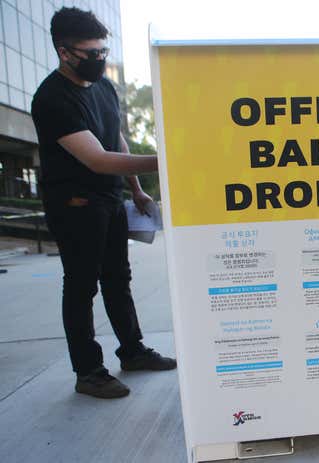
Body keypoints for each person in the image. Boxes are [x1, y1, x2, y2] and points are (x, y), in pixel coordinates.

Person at [31, 7, 176, 399]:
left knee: (118, 280)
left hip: (110, 200)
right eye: (91, 52)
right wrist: (169, 161)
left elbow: (117, 140)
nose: (100, 59)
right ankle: (89, 371)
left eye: (102, 51)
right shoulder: (51, 98)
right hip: (75, 204)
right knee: (81, 287)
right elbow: (97, 158)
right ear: (65, 52)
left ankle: (132, 351)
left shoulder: (103, 87)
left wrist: (136, 187)